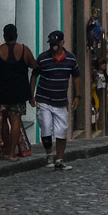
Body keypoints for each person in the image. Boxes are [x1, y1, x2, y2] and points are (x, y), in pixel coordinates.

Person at [30, 30, 81, 170]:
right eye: (52, 44)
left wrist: (78, 95)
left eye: (56, 44)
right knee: (46, 128)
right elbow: (34, 75)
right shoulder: (42, 58)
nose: (54, 47)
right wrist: (32, 94)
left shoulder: (71, 59)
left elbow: (76, 76)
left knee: (61, 131)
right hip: (44, 99)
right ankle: (49, 155)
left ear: (62, 43)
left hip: (61, 101)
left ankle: (59, 158)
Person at [0, 23, 37, 162]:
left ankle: (5, 150)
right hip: (19, 91)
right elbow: (34, 66)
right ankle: (11, 153)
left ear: (4, 36)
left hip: (1, 91)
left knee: (3, 120)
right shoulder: (24, 50)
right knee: (15, 121)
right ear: (16, 35)